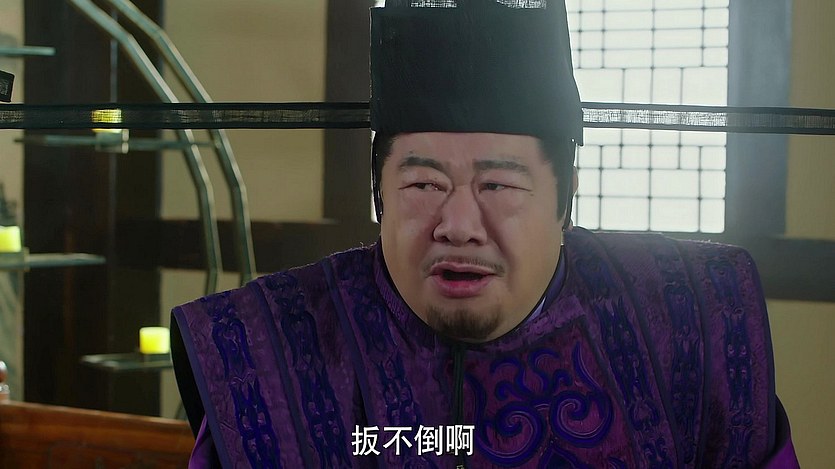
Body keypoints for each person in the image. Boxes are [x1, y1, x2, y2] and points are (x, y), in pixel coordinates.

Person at [171, 1, 799, 467]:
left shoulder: (689, 318)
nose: (459, 226)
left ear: (565, 198)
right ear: (378, 193)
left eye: (498, 185)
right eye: (424, 184)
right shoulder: (273, 343)